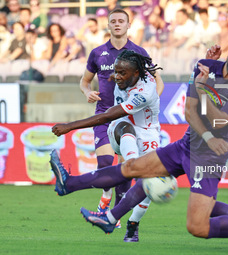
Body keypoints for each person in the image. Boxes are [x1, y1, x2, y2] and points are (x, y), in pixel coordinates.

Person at [50, 27, 228, 252]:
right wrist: (210, 68)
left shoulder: (147, 90)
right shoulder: (212, 68)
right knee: (133, 170)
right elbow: (196, 107)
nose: (117, 76)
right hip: (186, 145)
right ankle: (84, 196)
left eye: (122, 72)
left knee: (196, 221)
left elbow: (111, 115)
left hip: (201, 153)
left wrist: (70, 126)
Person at [79, 8, 164, 235]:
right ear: (108, 25)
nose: (117, 24)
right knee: (106, 164)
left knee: (127, 169)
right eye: (113, 21)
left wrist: (148, 101)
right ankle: (106, 196)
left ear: (129, 25)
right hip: (104, 115)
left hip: (130, 119)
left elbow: (158, 82)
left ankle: (115, 215)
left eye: (121, 21)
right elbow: (84, 81)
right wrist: (87, 91)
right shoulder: (97, 53)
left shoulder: (139, 52)